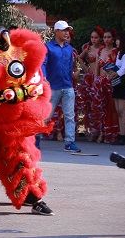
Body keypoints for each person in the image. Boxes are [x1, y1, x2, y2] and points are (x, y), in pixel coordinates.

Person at [43, 20, 81, 152]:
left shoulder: (69, 49)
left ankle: (69, 142)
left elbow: (72, 66)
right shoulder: (48, 47)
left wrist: (75, 72)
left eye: (67, 30)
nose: (66, 33)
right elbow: (43, 64)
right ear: (56, 31)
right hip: (53, 87)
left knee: (70, 115)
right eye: (64, 30)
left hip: (67, 86)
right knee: (46, 115)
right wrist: (44, 77)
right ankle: (35, 139)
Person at [91, 28, 120, 144]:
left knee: (110, 108)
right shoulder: (100, 51)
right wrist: (95, 81)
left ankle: (110, 133)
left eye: (109, 37)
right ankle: (101, 132)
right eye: (105, 37)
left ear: (113, 39)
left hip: (111, 83)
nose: (106, 39)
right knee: (100, 108)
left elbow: (117, 69)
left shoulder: (116, 51)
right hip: (100, 82)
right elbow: (97, 68)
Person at [76, 26, 103, 141]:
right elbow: (79, 57)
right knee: (89, 104)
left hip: (100, 78)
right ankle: (90, 130)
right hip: (90, 78)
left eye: (96, 37)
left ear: (100, 38)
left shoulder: (104, 48)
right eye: (92, 37)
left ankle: (100, 130)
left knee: (99, 105)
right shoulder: (88, 48)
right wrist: (85, 68)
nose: (93, 39)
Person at [108, 32, 125, 145]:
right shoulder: (119, 53)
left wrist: (115, 74)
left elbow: (123, 69)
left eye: (118, 40)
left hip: (123, 82)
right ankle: (121, 133)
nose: (116, 42)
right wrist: (111, 73)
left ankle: (124, 135)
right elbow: (117, 67)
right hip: (116, 81)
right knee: (118, 110)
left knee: (122, 110)